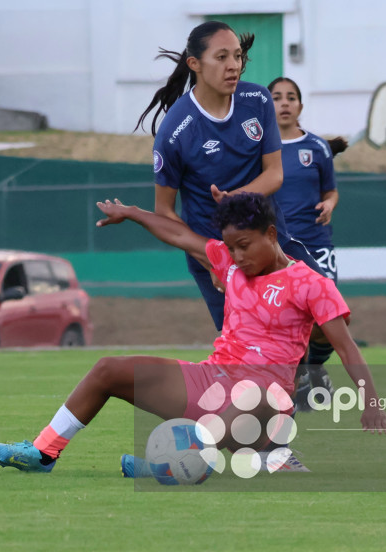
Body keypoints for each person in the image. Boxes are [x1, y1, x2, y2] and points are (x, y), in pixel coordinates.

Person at [0, 193, 386, 475]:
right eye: (230, 247)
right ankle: (43, 452)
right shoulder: (232, 267)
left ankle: (175, 462)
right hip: (211, 381)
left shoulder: (310, 283)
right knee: (108, 369)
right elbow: (180, 236)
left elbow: (345, 346)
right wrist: (133, 212)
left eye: (245, 245)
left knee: (262, 397)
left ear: (271, 234)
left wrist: (370, 403)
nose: (235, 256)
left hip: (266, 400)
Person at [136, 20, 323, 332]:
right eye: (221, 57)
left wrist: (234, 200)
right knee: (249, 350)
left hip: (271, 241)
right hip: (217, 250)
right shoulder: (175, 131)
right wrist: (212, 260)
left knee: (321, 318)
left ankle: (308, 380)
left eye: (237, 56)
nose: (233, 65)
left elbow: (274, 175)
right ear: (194, 64)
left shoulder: (259, 100)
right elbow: (164, 211)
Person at [267, 76, 346, 400]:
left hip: (316, 243)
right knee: (287, 319)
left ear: (300, 105)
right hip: (278, 248)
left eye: (291, 97)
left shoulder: (317, 147)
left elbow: (331, 191)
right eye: (276, 97)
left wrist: (329, 203)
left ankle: (315, 367)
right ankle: (297, 378)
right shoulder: (258, 150)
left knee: (331, 317)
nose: (284, 103)